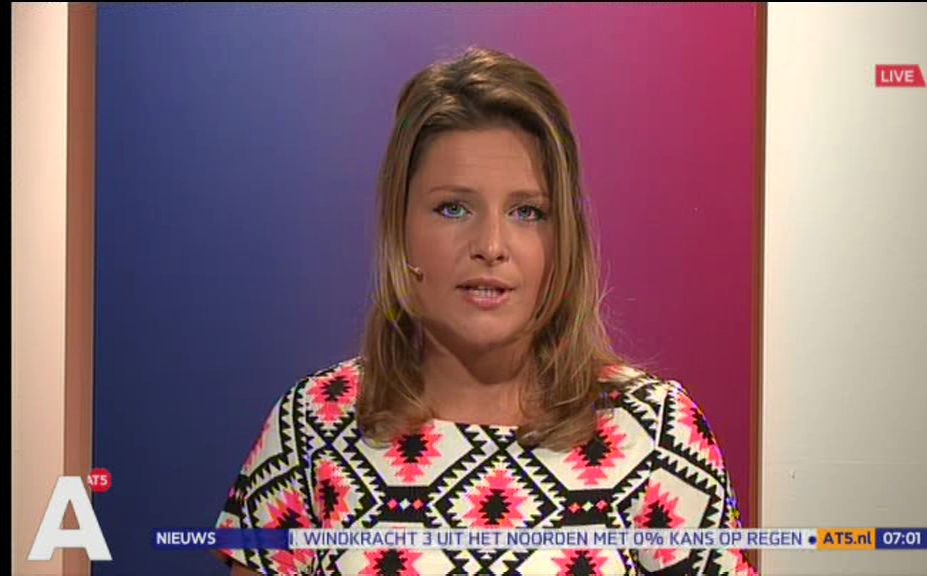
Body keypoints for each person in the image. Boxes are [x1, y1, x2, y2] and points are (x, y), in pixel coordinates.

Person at [214, 46, 758, 576]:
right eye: (453, 208)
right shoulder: (310, 427)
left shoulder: (657, 431)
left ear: (564, 237)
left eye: (528, 212)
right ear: (401, 228)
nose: (491, 246)